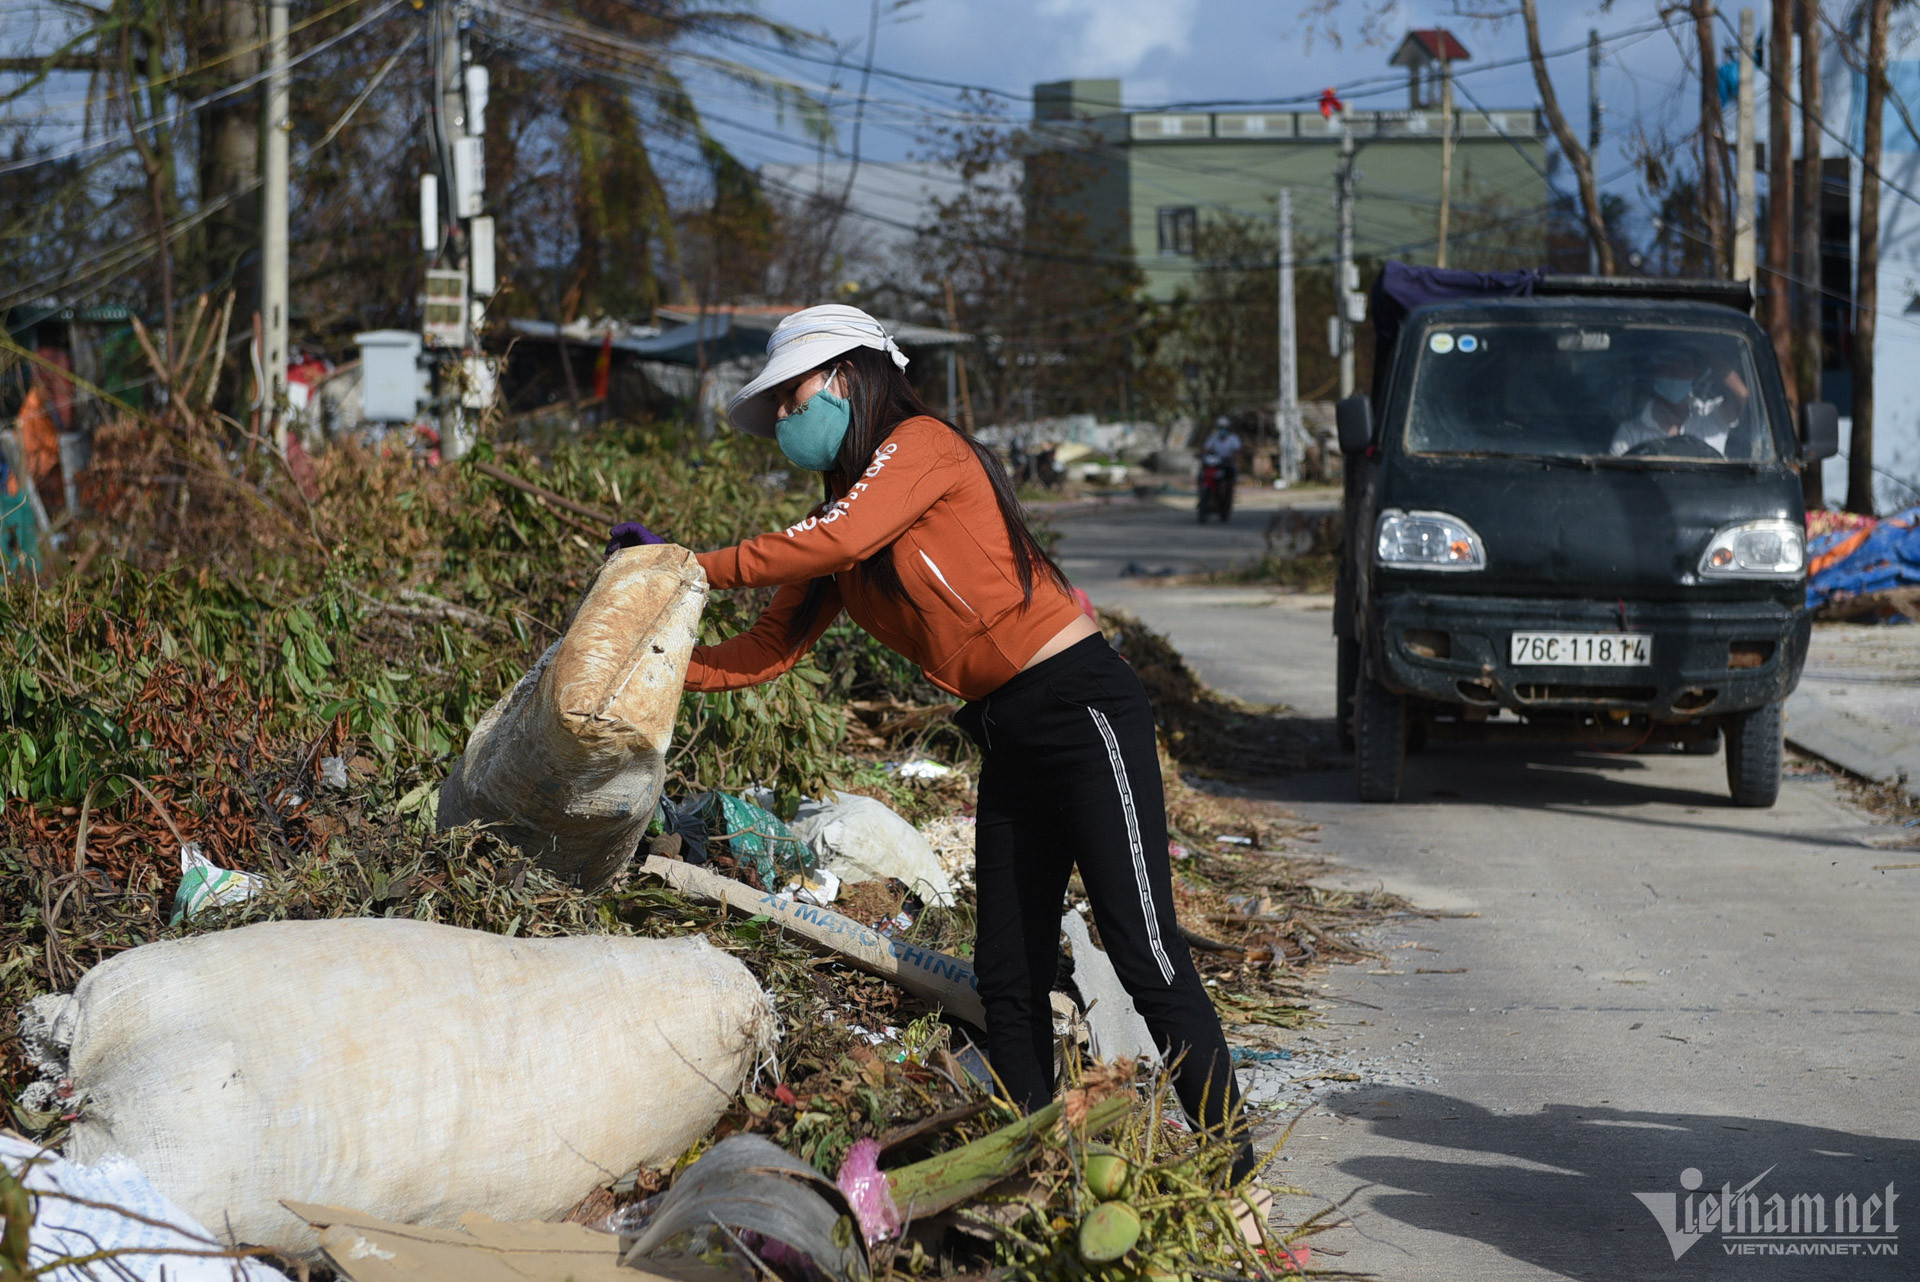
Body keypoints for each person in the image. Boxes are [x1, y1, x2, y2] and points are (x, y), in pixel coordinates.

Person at [607, 304, 1261, 1197]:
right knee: (1008, 976)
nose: (786, 420)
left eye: (793, 397)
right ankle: (1037, 1174)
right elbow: (764, 652)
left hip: (1080, 708)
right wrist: (654, 666)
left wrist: (688, 564)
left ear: (846, 377)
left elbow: (835, 538)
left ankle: (1235, 1178)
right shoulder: (839, 525)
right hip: (1007, 732)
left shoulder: (922, 448)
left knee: (1142, 948)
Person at [1610, 347, 1749, 457]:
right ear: (1655, 373)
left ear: (1695, 374)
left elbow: (1741, 395)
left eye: (1682, 367)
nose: (1675, 373)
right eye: (1667, 367)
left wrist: (1705, 350)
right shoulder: (1630, 434)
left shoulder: (1710, 417)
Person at [1200, 416, 1243, 486]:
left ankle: (1229, 487)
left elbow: (1237, 452)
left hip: (1228, 462)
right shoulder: (1213, 437)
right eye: (1220, 428)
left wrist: (1236, 461)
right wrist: (1203, 455)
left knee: (1232, 472)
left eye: (1224, 428)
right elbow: (1206, 449)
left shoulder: (1233, 438)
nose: (1222, 430)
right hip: (1216, 461)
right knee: (1203, 472)